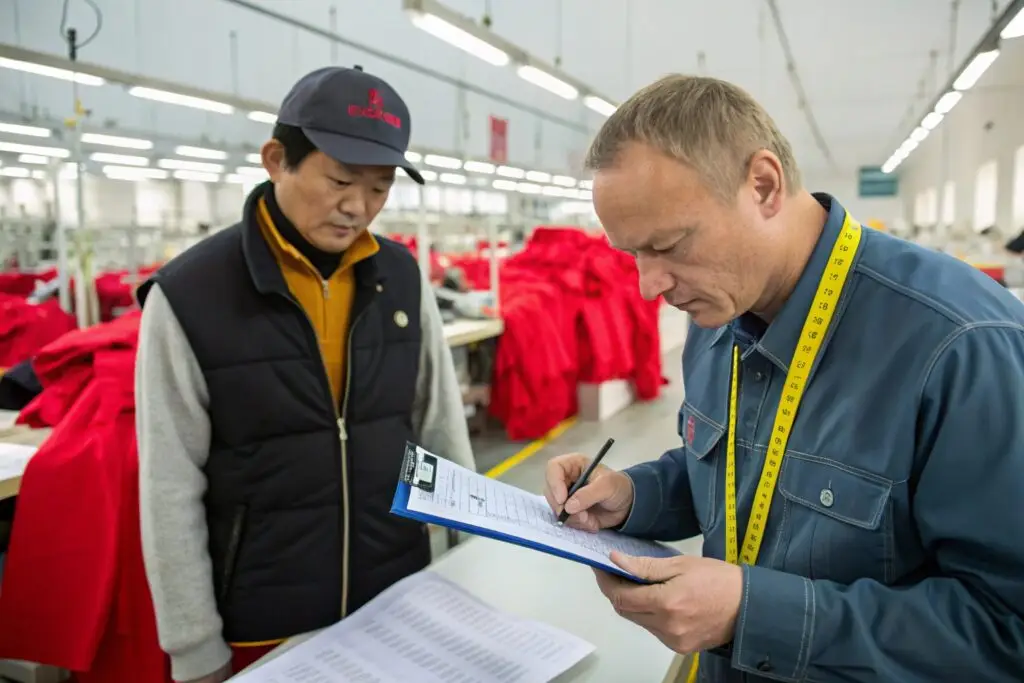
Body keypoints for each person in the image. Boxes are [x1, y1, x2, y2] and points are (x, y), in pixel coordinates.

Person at [545, 74, 1024, 682]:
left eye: (666, 245)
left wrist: (755, 613)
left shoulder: (963, 347)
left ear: (763, 186)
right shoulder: (717, 311)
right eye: (632, 254)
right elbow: (733, 471)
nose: (649, 287)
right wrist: (636, 495)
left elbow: (1007, 629)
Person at [135, 65, 474, 683]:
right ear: (276, 159)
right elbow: (168, 487)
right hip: (264, 624)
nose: (357, 207)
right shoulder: (189, 296)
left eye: (379, 188)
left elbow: (441, 433)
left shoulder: (401, 278)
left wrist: (467, 568)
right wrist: (194, 649)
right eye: (340, 179)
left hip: (398, 598)